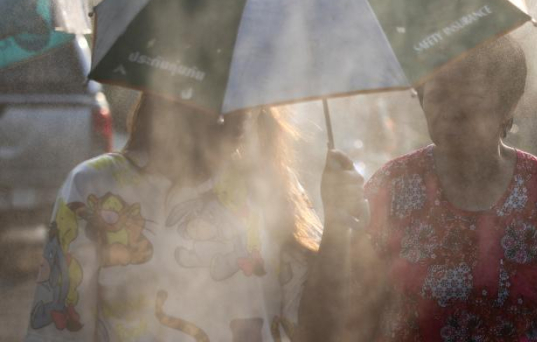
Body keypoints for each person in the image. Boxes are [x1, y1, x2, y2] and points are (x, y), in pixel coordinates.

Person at [24, 93, 364, 342]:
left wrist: (336, 227)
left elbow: (318, 332)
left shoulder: (270, 189)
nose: (243, 108)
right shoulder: (94, 189)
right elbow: (57, 332)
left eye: (250, 83)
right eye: (224, 86)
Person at [354, 36, 537, 341]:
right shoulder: (391, 188)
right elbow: (359, 318)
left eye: (469, 99)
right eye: (438, 94)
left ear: (507, 106)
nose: (450, 112)